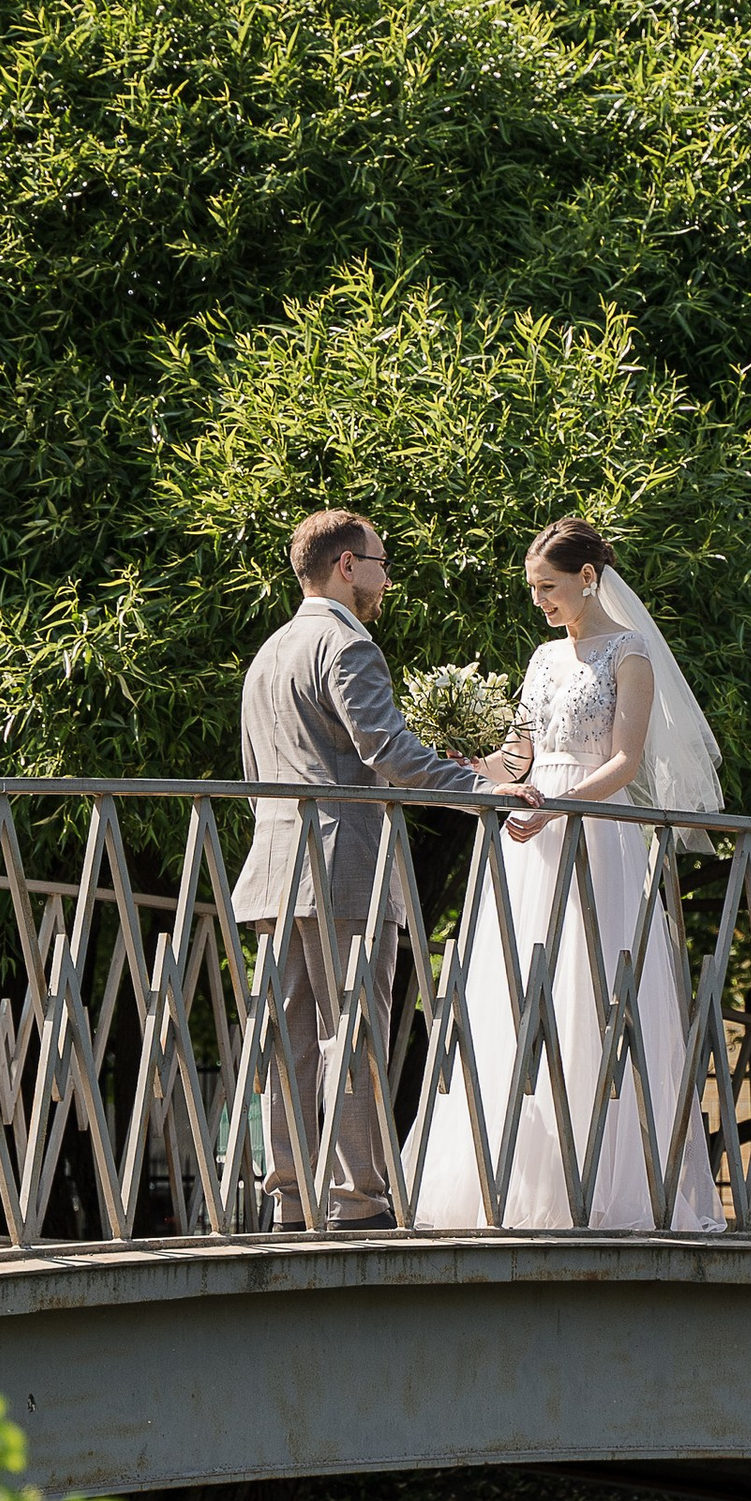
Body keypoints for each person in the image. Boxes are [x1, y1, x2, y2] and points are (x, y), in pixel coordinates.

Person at [408, 518, 723, 1232]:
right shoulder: (543, 657)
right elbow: (516, 756)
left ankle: (605, 1188)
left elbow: (625, 764)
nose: (539, 601)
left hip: (591, 830)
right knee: (516, 986)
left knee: (592, 988)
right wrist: (466, 765)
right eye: (532, 590)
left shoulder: (629, 655)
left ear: (587, 577)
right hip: (531, 833)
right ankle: (510, 1182)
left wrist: (558, 808)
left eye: (547, 587)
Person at [233, 508, 532, 1232]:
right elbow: (389, 754)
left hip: (275, 866)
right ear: (345, 566)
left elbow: (253, 771)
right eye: (380, 563)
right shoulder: (348, 645)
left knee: (289, 1038)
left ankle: (288, 1201)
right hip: (344, 868)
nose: (387, 580)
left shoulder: (270, 652)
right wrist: (482, 794)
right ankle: (358, 1203)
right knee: (352, 1032)